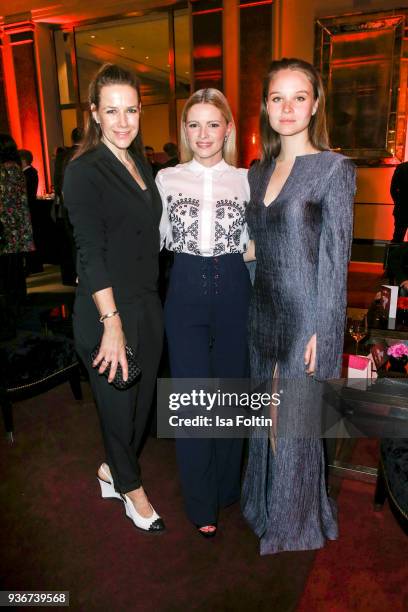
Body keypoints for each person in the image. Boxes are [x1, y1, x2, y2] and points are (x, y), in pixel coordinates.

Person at [241, 58, 356, 554]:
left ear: (315, 105)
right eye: (276, 97)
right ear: (265, 106)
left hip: (304, 318)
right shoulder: (257, 171)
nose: (287, 108)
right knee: (264, 417)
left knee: (292, 426)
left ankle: (294, 520)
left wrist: (322, 331)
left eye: (298, 97)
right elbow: (256, 245)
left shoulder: (334, 169)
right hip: (262, 312)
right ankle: (267, 505)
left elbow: (337, 261)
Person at [63, 63, 165, 533]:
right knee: (118, 406)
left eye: (130, 110)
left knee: (142, 408)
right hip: (108, 311)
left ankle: (111, 469)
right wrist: (113, 321)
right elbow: (91, 252)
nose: (122, 121)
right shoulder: (84, 170)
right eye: (111, 111)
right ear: (94, 114)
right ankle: (130, 487)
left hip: (147, 302)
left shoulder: (138, 161)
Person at [156, 89, 251, 537]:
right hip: (185, 289)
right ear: (184, 131)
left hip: (235, 287)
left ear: (228, 128)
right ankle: (201, 503)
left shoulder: (248, 179)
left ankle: (227, 488)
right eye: (194, 125)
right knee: (193, 397)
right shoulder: (166, 180)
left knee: (231, 394)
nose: (203, 134)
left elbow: (257, 244)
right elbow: (151, 240)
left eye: (213, 124)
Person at [0, 135, 34, 339]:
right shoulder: (16, 169)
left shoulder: (4, 170)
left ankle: (13, 307)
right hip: (18, 225)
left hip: (7, 226)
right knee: (15, 268)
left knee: (8, 270)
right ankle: (19, 302)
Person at [390, 161, 408, 242]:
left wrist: (398, 202)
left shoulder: (401, 167)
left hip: (401, 209)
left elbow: (393, 189)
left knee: (397, 237)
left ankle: (393, 254)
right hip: (401, 207)